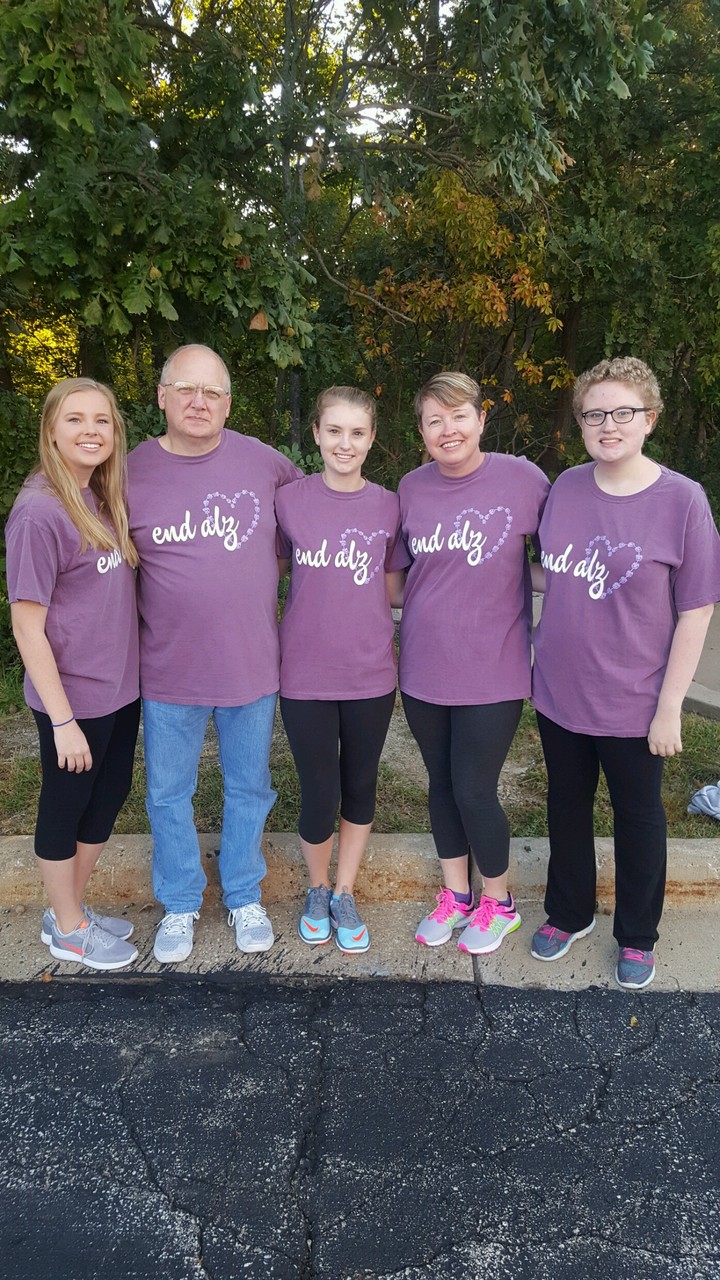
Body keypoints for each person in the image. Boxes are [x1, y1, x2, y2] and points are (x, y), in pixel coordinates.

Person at [531, 356, 720, 989]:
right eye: (594, 414)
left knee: (638, 817)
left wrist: (669, 708)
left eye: (622, 412)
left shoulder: (682, 501)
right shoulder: (565, 488)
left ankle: (638, 934)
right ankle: (570, 911)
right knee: (566, 806)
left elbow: (696, 611)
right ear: (581, 423)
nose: (607, 425)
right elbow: (554, 574)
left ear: (650, 419)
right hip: (558, 691)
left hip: (636, 699)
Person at [127, 344, 299, 964]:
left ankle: (243, 892)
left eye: (212, 392)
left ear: (228, 402)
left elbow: (311, 522)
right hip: (167, 668)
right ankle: (178, 902)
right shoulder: (128, 471)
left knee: (249, 787)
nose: (199, 402)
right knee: (168, 792)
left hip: (251, 665)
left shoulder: (266, 464)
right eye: (186, 389)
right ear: (162, 396)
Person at [398, 372, 550, 955]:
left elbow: (562, 554)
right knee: (441, 784)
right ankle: (456, 895)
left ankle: (500, 902)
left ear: (482, 419)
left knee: (474, 787)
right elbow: (403, 577)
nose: (448, 429)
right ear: (421, 431)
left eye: (459, 415)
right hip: (423, 669)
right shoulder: (411, 488)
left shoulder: (524, 480)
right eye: (434, 420)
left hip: (494, 668)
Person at [5, 378, 140, 971]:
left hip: (119, 688)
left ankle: (69, 908)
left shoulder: (101, 497)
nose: (91, 431)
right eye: (76, 420)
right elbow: (26, 627)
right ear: (51, 431)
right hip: (72, 698)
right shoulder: (39, 511)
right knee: (66, 805)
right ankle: (67, 927)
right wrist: (61, 720)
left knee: (108, 796)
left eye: (102, 421)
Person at [275, 387, 409, 952]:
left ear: (372, 437)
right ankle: (317, 885)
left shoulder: (389, 505)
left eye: (357, 432)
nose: (345, 443)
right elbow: (267, 576)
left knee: (359, 784)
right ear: (317, 435)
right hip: (303, 673)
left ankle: (346, 890)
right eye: (334, 431)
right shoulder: (288, 501)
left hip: (369, 674)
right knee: (317, 789)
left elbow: (394, 587)